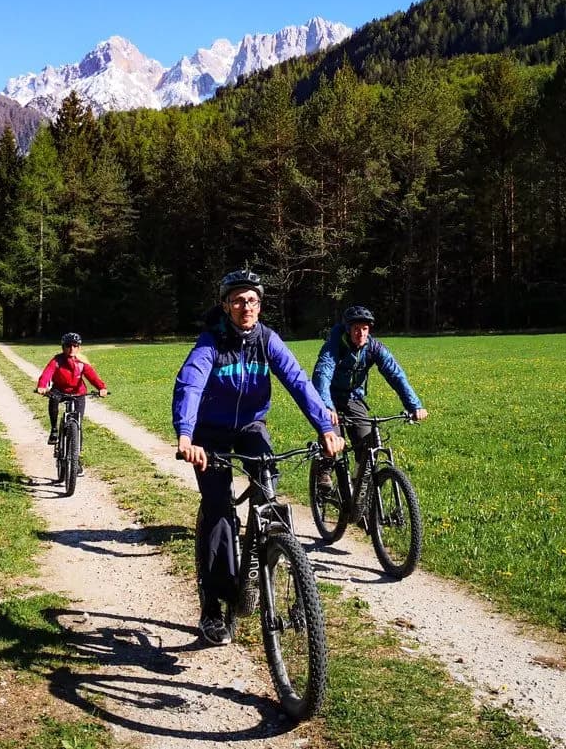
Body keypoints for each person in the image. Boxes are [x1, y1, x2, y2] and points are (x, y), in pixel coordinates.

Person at [174, 269, 344, 646]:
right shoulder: (211, 342)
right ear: (225, 306)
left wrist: (325, 428)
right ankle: (215, 605)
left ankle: (283, 570)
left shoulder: (267, 340)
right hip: (208, 433)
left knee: (270, 495)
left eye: (251, 300)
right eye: (237, 300)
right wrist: (187, 436)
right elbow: (191, 382)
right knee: (218, 510)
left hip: (251, 427)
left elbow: (298, 381)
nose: (245, 306)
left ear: (260, 305)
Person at [311, 306, 427, 491]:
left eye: (365, 329)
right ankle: (324, 471)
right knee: (332, 438)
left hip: (353, 398)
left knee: (368, 444)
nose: (361, 333)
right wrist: (326, 406)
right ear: (348, 329)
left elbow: (395, 374)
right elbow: (322, 373)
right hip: (330, 397)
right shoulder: (334, 345)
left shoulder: (374, 348)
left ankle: (359, 485)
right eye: (356, 329)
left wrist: (414, 405)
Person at [36, 332, 107, 444]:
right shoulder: (57, 360)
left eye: (75, 346)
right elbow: (47, 373)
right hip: (59, 391)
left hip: (78, 392)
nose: (72, 349)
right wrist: (41, 386)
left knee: (78, 422)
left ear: (79, 347)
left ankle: (75, 452)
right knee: (53, 399)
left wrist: (101, 388)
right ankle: (54, 429)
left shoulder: (82, 362)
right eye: (68, 346)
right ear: (63, 347)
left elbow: (92, 376)